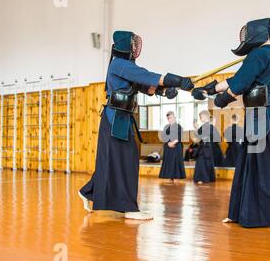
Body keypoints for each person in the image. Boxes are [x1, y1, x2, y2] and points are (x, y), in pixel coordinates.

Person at [192, 18, 270, 232]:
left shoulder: (259, 54)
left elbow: (239, 83)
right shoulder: (264, 55)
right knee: (249, 164)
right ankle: (243, 212)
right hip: (259, 116)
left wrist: (216, 95)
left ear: (254, 35)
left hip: (267, 116)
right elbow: (239, 79)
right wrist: (210, 89)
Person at [78, 30, 194, 220]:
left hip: (121, 119)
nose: (135, 47)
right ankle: (129, 208)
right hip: (114, 119)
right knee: (126, 160)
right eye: (132, 44)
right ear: (125, 46)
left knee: (117, 160)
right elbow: (149, 77)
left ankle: (88, 191)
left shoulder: (126, 67)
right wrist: (178, 81)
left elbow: (147, 86)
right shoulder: (120, 64)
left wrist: (165, 92)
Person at [159, 111, 186, 182]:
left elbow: (179, 136)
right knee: (169, 161)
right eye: (168, 118)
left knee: (175, 161)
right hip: (168, 146)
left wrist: (173, 143)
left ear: (174, 117)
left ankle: (177, 177)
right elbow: (164, 136)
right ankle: (170, 177)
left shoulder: (178, 126)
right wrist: (168, 143)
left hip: (176, 146)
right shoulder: (166, 127)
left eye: (171, 117)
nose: (170, 119)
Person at [193, 110, 216, 184]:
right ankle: (205, 178)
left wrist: (196, 129)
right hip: (203, 146)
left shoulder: (209, 126)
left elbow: (204, 137)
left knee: (202, 162)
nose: (200, 118)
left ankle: (203, 178)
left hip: (206, 146)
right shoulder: (204, 126)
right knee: (202, 162)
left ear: (206, 116)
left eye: (201, 116)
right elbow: (198, 136)